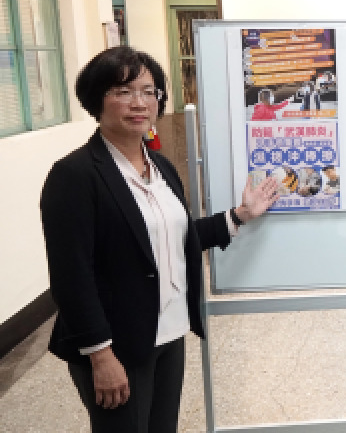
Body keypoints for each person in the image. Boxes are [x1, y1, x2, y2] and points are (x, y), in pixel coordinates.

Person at [40, 46, 280, 432]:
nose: (139, 103)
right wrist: (100, 355)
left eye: (148, 91)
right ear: (96, 99)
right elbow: (71, 276)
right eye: (123, 91)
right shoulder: (75, 175)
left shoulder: (161, 167)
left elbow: (173, 237)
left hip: (170, 331)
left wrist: (239, 215)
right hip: (116, 343)